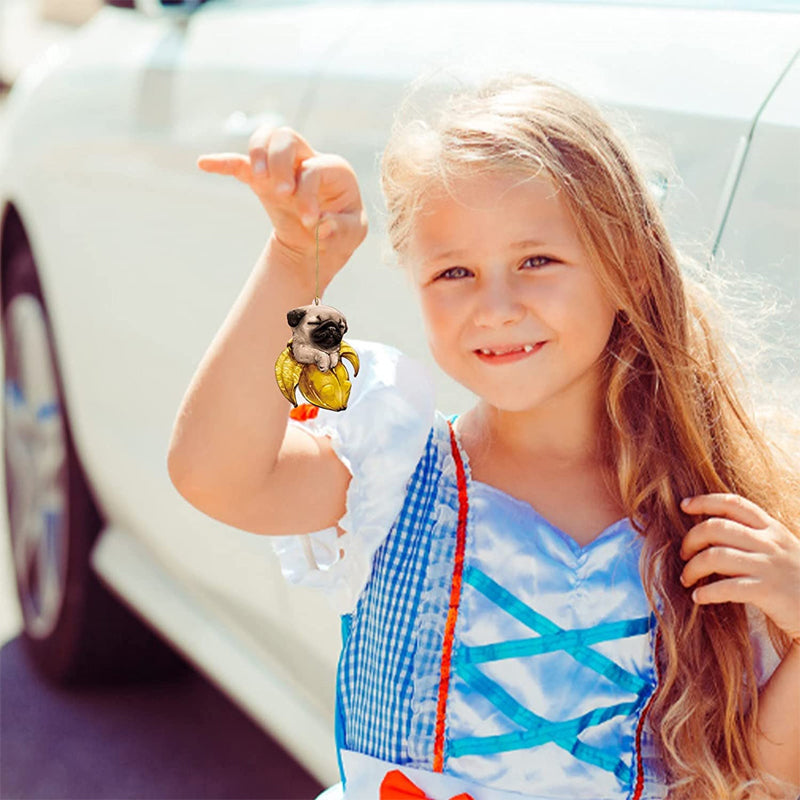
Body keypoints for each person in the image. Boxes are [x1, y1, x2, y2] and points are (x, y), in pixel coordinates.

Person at [167, 72, 800, 800]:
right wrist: (293, 261)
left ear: (624, 267)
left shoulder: (701, 511)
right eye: (454, 272)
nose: (496, 306)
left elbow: (754, 777)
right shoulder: (397, 471)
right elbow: (214, 475)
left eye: (537, 261)